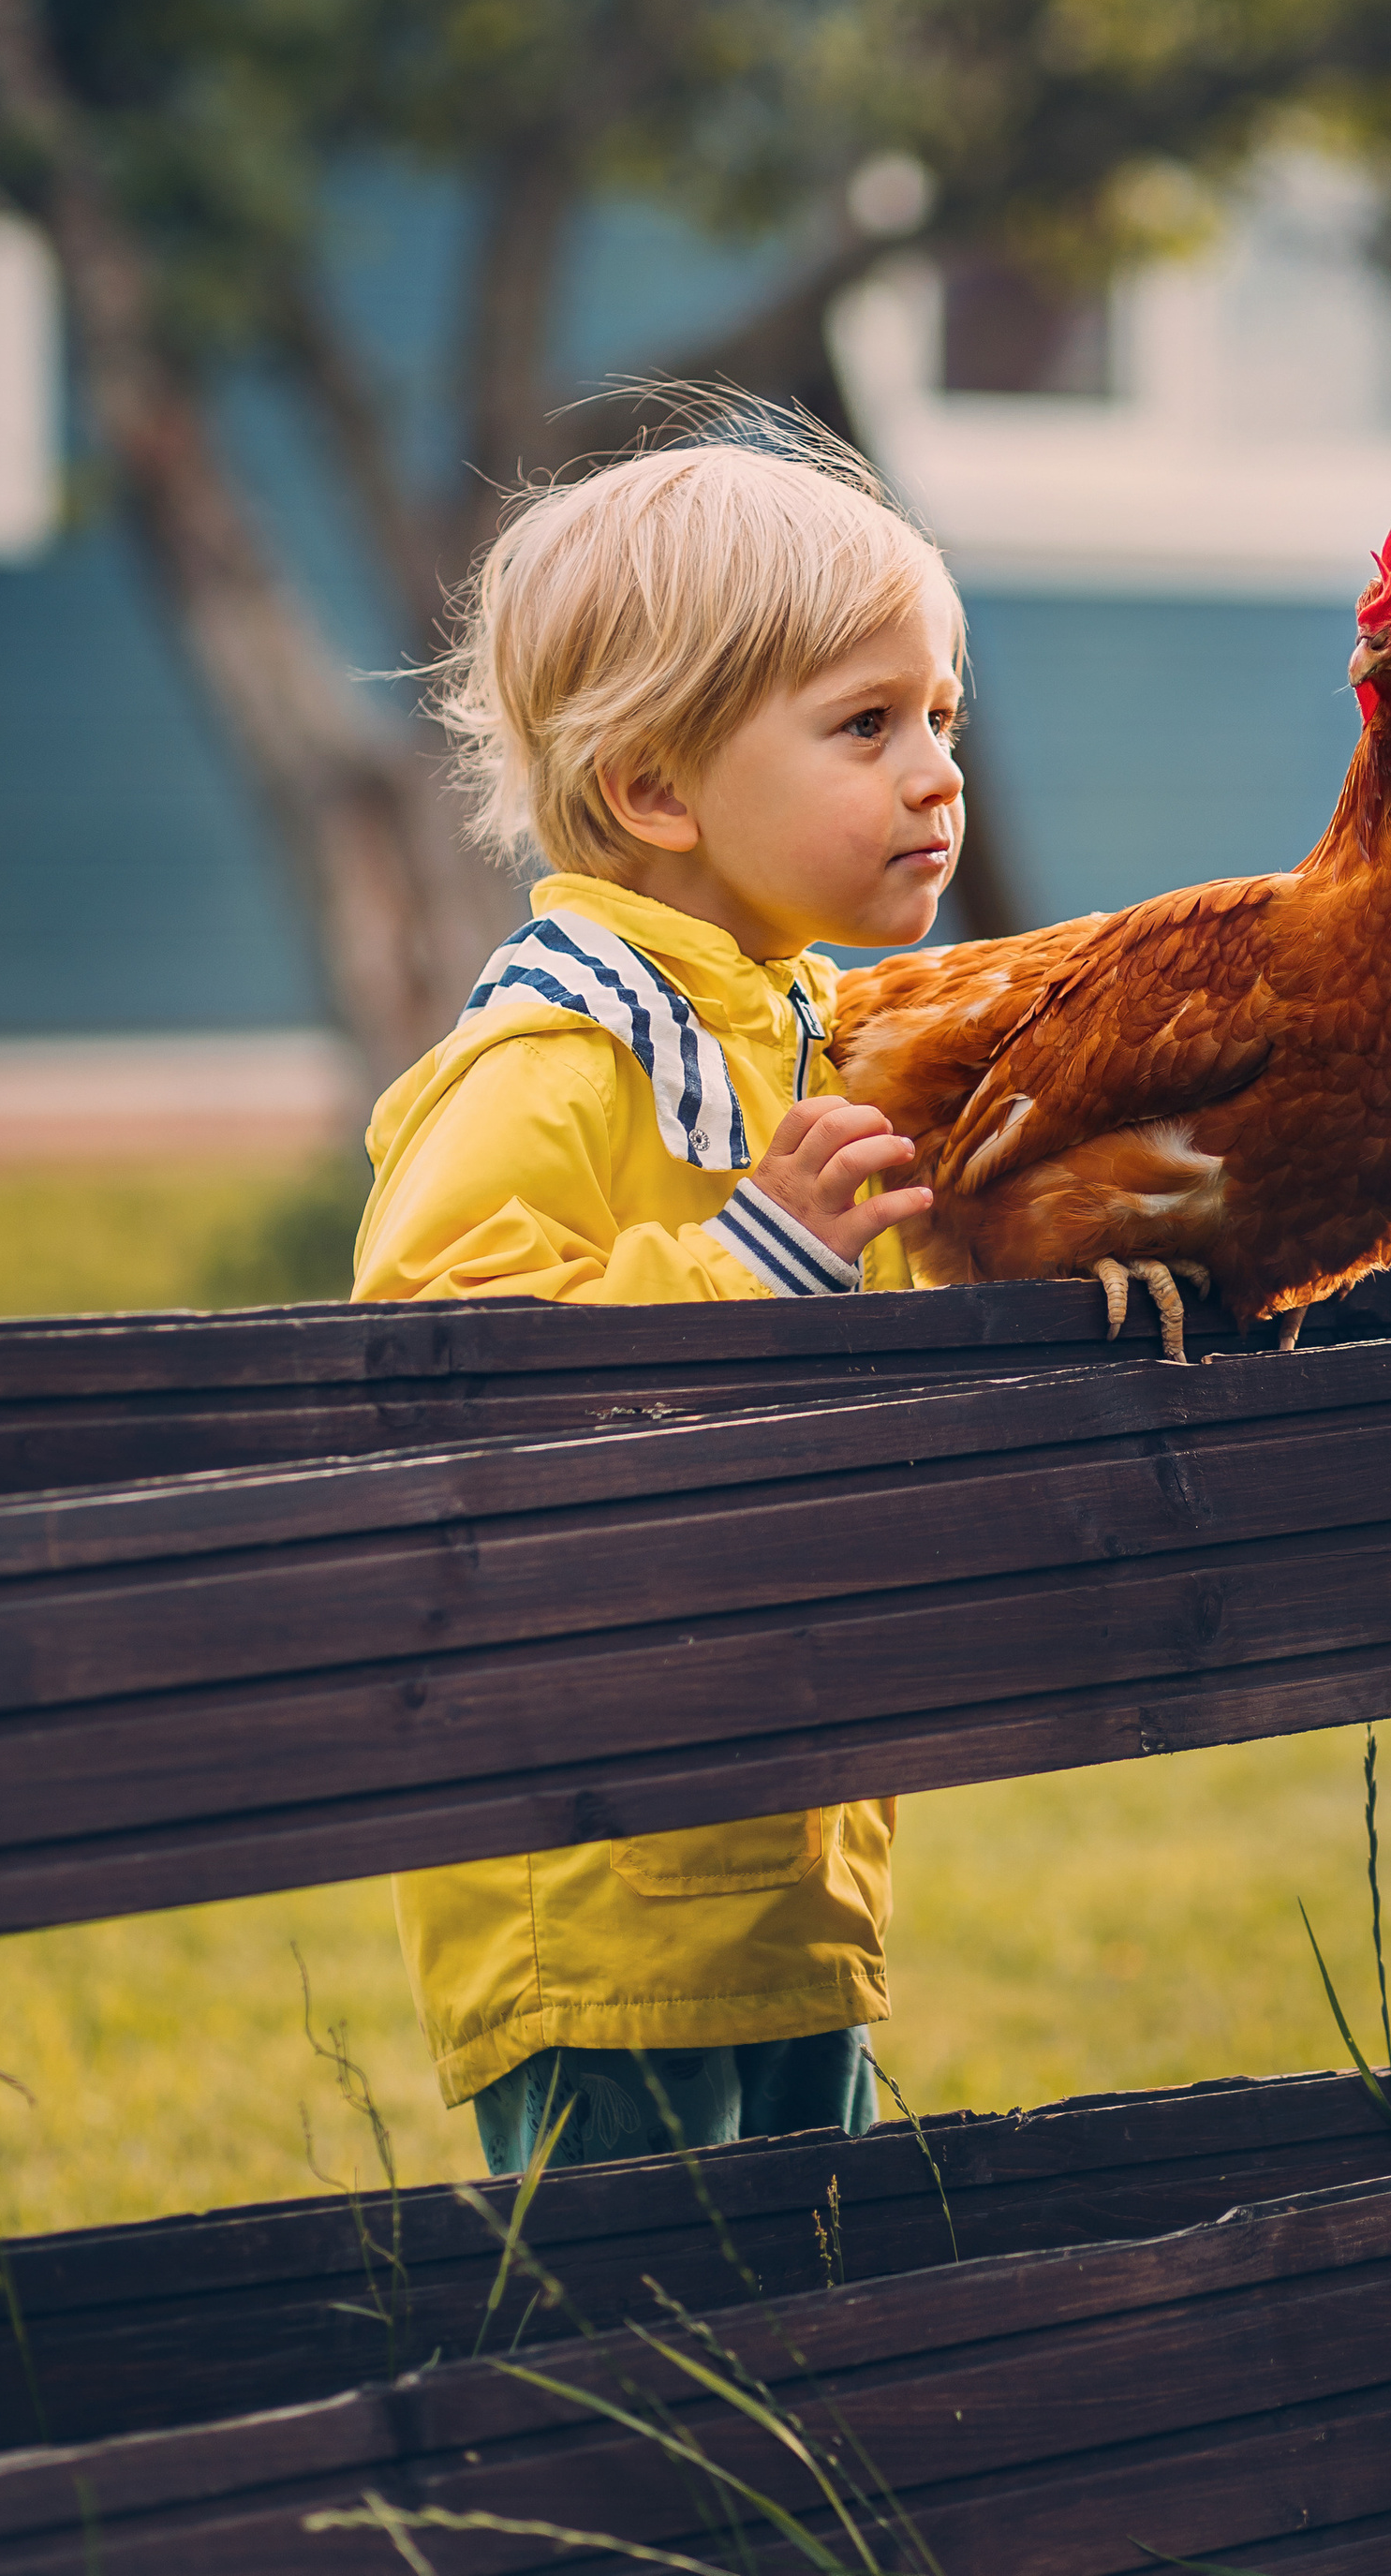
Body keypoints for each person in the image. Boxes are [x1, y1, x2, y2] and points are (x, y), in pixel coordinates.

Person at [352, 401, 963, 2174]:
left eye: (940, 715)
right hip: (593, 1872)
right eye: (867, 725)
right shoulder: (554, 1061)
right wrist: (744, 1264)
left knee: (805, 2317)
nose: (935, 772)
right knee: (639, 2362)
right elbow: (438, 1374)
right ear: (656, 791)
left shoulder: (791, 1044)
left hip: (780, 1835)